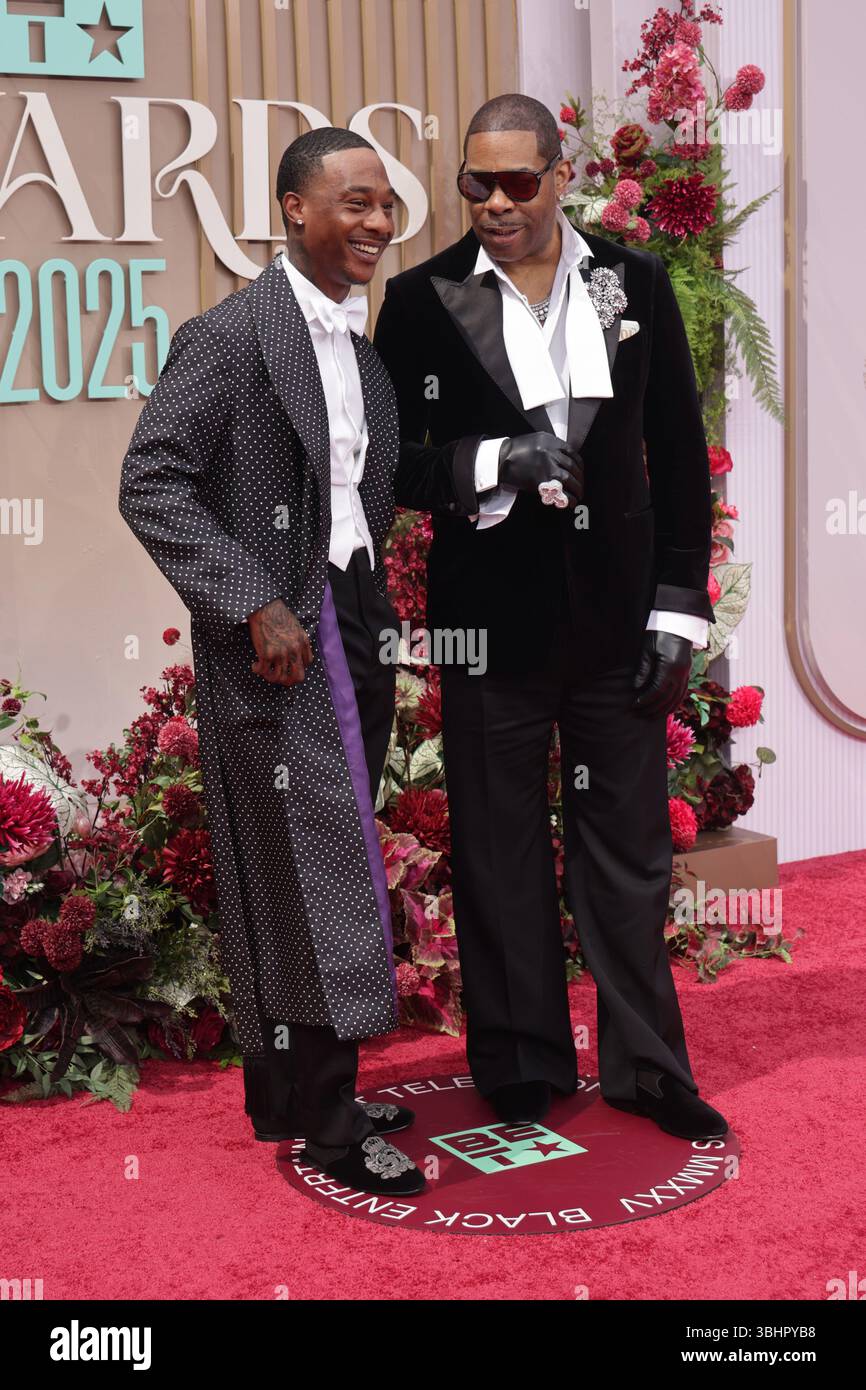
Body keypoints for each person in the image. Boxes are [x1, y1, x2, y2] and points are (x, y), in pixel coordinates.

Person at [373, 94, 728, 1141]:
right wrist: (492, 461)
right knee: (496, 849)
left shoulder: (635, 283)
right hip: (490, 629)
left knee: (627, 857)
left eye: (516, 183)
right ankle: (521, 1058)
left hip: (620, 627)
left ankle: (647, 1069)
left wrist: (679, 611)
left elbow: (679, 457)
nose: (492, 204)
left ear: (557, 175)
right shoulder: (421, 301)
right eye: (473, 184)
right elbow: (390, 463)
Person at [119, 127, 424, 1196]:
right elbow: (150, 479)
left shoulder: (364, 348)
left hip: (349, 611)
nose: (376, 224)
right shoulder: (233, 334)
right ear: (293, 209)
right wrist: (249, 597)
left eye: (385, 205)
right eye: (353, 202)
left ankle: (295, 1093)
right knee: (324, 868)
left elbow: (365, 489)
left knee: (309, 864)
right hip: (280, 635)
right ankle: (335, 1126)